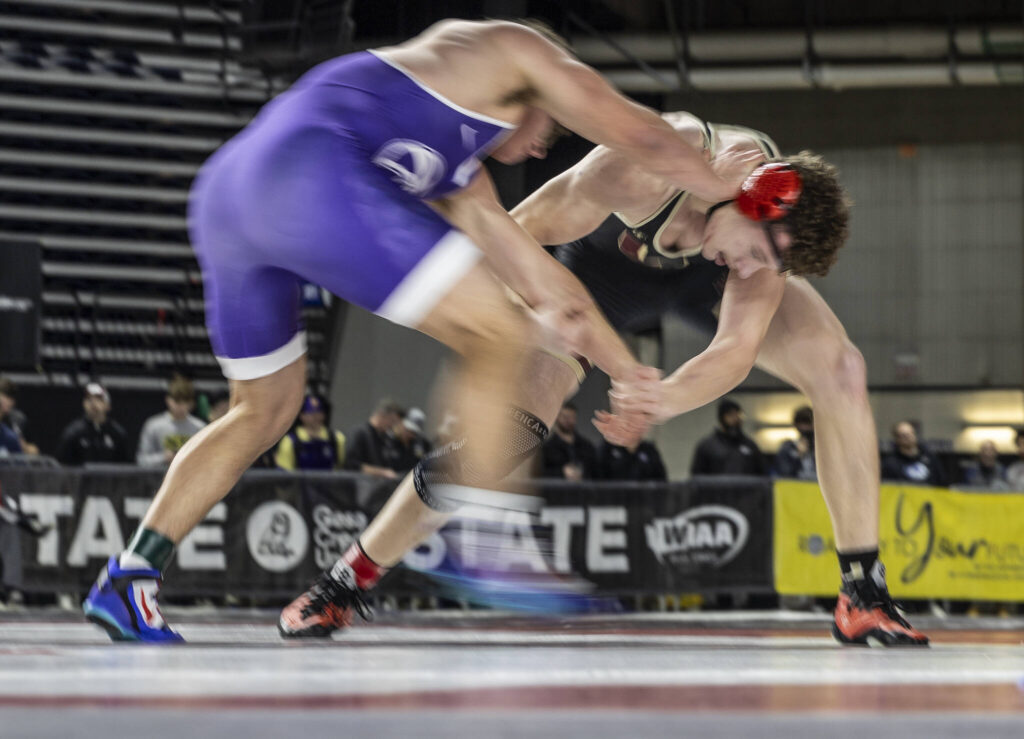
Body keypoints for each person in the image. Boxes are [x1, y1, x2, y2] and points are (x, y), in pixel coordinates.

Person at [83, 18, 739, 642]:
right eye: (551, 129)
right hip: (305, 169)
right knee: (498, 334)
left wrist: (627, 374)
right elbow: (648, 138)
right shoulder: (513, 50)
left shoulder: (462, 175)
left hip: (230, 196)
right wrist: (738, 192)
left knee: (262, 409)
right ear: (542, 90)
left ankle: (130, 574)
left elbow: (549, 285)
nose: (548, 144)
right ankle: (482, 537)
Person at [508, 109, 927, 646]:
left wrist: (661, 399)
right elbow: (517, 231)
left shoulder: (756, 244)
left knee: (842, 368)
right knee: (514, 426)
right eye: (757, 252)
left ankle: (862, 593)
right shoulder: (654, 159)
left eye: (765, 264)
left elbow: (734, 350)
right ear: (753, 200)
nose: (752, 269)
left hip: (701, 276)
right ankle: (366, 567)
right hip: (595, 275)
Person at [135, 374, 207, 468]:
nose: (181, 407)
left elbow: (207, 459)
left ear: (191, 403)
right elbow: (141, 460)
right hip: (159, 480)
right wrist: (164, 457)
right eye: (177, 401)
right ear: (168, 400)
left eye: (185, 402)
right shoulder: (154, 425)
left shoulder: (200, 427)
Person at [55, 383, 131, 467]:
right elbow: (62, 466)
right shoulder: (73, 433)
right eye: (88, 399)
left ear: (108, 406)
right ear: (83, 404)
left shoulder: (118, 434)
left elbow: (125, 467)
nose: (93, 403)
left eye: (99, 399)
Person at [690, 398, 766, 476]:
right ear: (722, 418)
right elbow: (697, 478)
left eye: (738, 415)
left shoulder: (750, 445)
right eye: (730, 415)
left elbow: (762, 474)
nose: (735, 419)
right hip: (716, 488)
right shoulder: (707, 446)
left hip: (745, 488)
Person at [274, 394, 346, 471]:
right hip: (298, 482)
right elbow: (284, 471)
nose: (315, 417)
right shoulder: (290, 440)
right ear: (301, 415)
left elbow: (340, 468)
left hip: (329, 482)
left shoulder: (337, 438)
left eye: (319, 412)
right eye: (310, 413)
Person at [343, 399, 405, 479]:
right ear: (382, 415)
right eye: (392, 421)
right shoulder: (359, 433)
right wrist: (382, 472)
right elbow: (350, 464)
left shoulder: (384, 438)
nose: (392, 426)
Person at [539, 402, 598, 480]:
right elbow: (542, 474)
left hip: (583, 490)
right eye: (564, 417)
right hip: (558, 490)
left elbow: (596, 472)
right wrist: (562, 472)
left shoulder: (586, 446)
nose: (568, 420)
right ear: (557, 417)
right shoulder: (548, 447)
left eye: (571, 417)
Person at [881, 421, 946, 488]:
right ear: (897, 439)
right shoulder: (890, 463)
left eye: (911, 433)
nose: (909, 437)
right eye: (904, 435)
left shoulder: (930, 458)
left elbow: (942, 482)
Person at [384, 407, 433, 474]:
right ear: (401, 423)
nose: (410, 434)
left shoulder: (422, 443)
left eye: (414, 433)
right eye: (408, 429)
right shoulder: (386, 441)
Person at [774, 405, 817, 480]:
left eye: (808, 422)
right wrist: (798, 454)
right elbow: (785, 473)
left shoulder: (822, 448)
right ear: (796, 425)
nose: (805, 427)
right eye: (801, 422)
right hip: (796, 488)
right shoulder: (788, 447)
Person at [597, 437, 667, 481]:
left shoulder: (649, 449)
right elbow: (597, 480)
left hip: (644, 501)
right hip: (614, 501)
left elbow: (661, 481)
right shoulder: (607, 448)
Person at [0, 378, 38, 456]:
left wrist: (24, 446)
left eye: (12, 398)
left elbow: (34, 450)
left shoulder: (19, 419)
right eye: (6, 396)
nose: (10, 401)